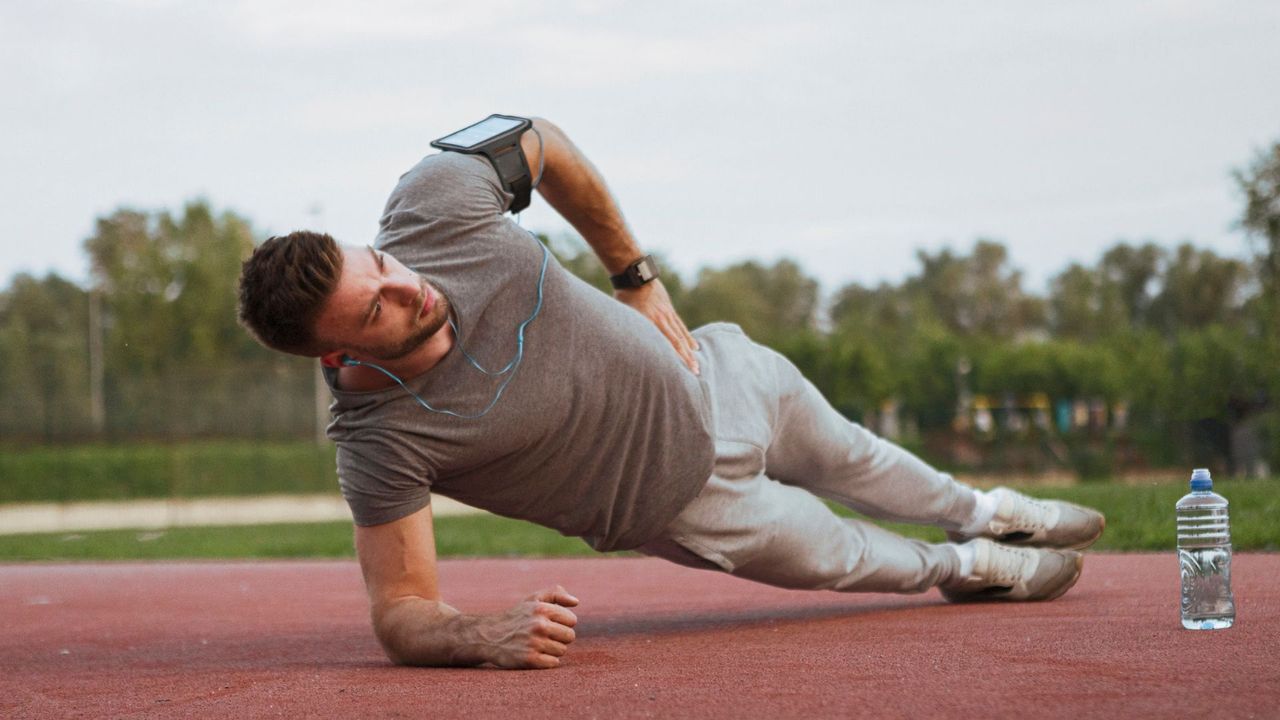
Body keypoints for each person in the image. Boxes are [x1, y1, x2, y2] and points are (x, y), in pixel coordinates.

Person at [236, 117, 1105, 670]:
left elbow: (541, 138)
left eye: (380, 266)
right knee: (850, 558)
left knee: (859, 455)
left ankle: (984, 509)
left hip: (716, 371)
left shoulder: (431, 206)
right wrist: (473, 635)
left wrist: (634, 274)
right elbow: (401, 611)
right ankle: (968, 567)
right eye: (378, 307)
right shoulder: (378, 440)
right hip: (685, 502)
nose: (408, 289)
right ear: (337, 352)